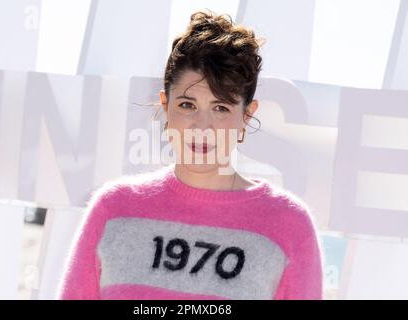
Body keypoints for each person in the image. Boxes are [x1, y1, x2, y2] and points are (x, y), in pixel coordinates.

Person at [57, 9, 323, 300]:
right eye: (187, 105)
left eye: (220, 108)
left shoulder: (288, 224)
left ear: (247, 115)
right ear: (165, 105)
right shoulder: (113, 209)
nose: (202, 126)